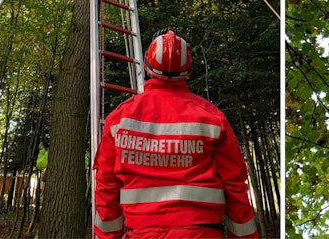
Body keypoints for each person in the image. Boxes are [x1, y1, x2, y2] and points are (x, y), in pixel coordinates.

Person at [93, 28, 259, 239]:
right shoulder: (211, 117)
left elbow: (106, 187)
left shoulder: (120, 119)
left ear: (146, 66)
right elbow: (235, 186)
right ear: (188, 71)